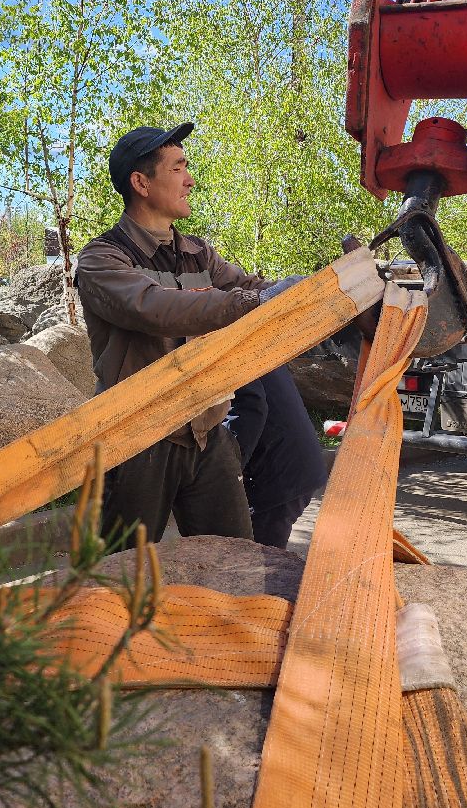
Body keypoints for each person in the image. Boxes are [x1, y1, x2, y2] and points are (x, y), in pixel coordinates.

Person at [74, 122, 303, 548]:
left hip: (206, 434)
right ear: (141, 183)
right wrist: (253, 302)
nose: (190, 179)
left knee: (234, 562)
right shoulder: (101, 260)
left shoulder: (198, 253)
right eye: (178, 168)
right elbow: (155, 307)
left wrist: (313, 288)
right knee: (123, 572)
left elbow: (250, 288)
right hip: (137, 441)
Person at [225, 365, 329, 548]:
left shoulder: (230, 357)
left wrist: (226, 470)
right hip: (294, 464)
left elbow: (250, 406)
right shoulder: (253, 351)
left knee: (256, 556)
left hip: (280, 471)